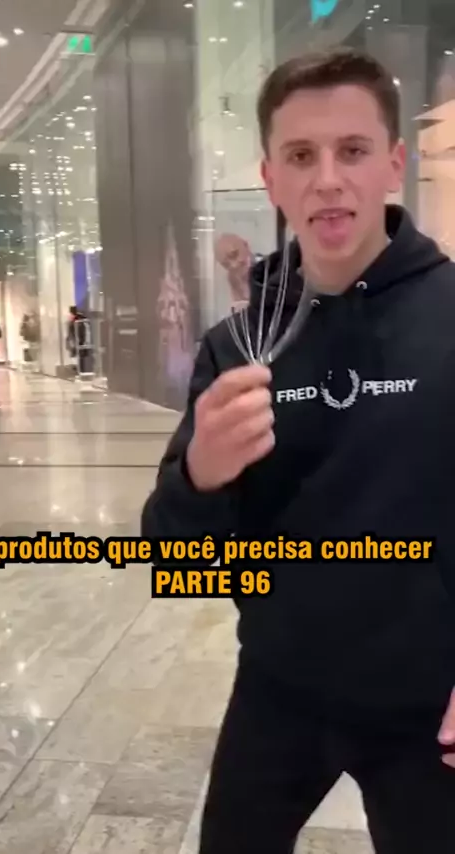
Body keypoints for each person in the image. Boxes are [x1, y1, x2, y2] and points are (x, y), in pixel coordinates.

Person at [141, 47, 455, 853]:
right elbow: (174, 559)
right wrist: (202, 474)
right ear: (271, 177)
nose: (328, 180)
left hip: (426, 705)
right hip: (279, 689)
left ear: (393, 164)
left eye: (352, 150)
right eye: (301, 156)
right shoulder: (239, 345)